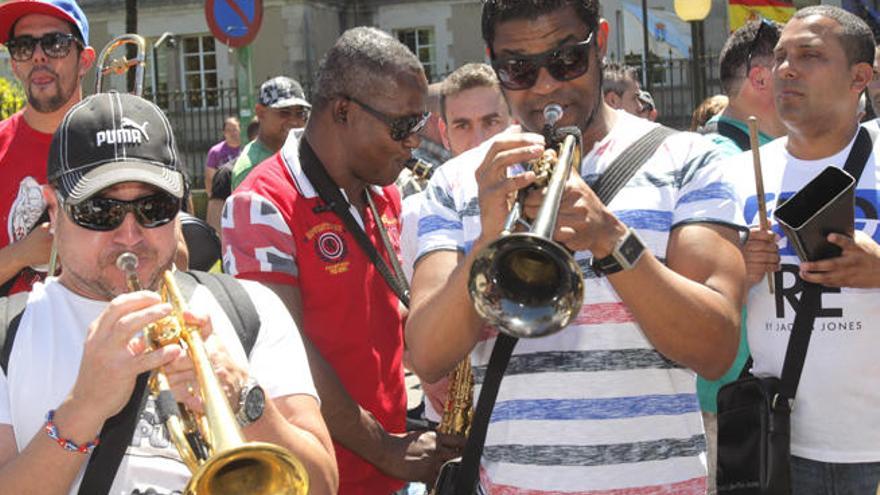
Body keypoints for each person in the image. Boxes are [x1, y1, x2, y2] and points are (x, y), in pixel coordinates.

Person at [405, 0, 748, 492]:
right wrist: (488, 237)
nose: (545, 85)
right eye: (519, 69)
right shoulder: (457, 182)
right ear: (494, 62)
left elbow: (716, 348)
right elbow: (428, 355)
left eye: (566, 59)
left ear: (601, 43)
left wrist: (611, 239)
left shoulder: (688, 160)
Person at [0, 92, 338, 494]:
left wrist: (244, 396)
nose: (129, 235)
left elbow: (321, 485)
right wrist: (82, 409)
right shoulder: (10, 329)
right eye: (99, 210)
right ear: (54, 212)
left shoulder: (253, 309)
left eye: (154, 207)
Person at [222, 27, 462, 495]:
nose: (413, 143)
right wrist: (386, 449)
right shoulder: (260, 204)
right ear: (343, 112)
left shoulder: (386, 194)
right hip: (322, 477)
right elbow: (283, 357)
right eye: (402, 126)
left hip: (392, 470)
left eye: (418, 126)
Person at [733, 6, 880, 493]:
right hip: (779, 442)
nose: (786, 69)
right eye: (780, 57)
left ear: (861, 76)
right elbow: (704, 298)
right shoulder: (734, 173)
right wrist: (738, 270)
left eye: (810, 55)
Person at [0, 0, 95, 295]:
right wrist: (22, 254)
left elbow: (178, 258)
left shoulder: (123, 141)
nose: (38, 56)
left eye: (55, 43)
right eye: (23, 46)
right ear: (14, 64)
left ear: (85, 60)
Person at [230, 76, 311, 190]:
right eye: (284, 112)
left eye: (300, 113)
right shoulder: (251, 168)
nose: (294, 121)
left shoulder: (302, 154)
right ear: (261, 113)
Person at [204, 116, 241, 198]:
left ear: (240, 130)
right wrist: (213, 198)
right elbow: (209, 178)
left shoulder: (247, 149)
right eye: (228, 130)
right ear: (224, 133)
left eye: (235, 129)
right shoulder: (215, 152)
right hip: (223, 197)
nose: (232, 133)